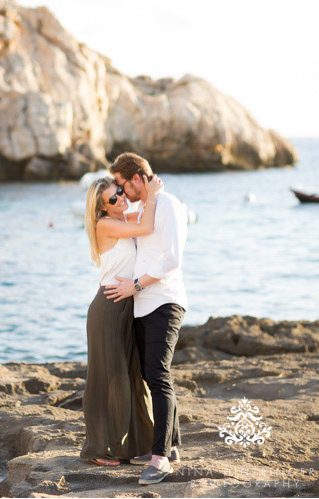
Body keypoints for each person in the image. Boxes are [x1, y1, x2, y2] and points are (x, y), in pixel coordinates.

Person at [104, 152, 189, 486]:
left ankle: (160, 459)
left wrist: (135, 285)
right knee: (149, 373)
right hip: (142, 304)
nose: (122, 194)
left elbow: (173, 259)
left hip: (164, 301)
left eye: (123, 187)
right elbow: (131, 223)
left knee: (158, 375)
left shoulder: (168, 205)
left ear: (137, 179)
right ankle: (172, 445)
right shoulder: (146, 206)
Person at [79, 175, 161, 466]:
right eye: (113, 199)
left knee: (130, 376)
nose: (120, 199)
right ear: (102, 208)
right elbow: (147, 225)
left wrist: (145, 192)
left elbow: (145, 218)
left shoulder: (122, 217)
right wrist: (150, 194)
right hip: (108, 309)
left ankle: (135, 446)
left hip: (126, 306)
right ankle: (99, 449)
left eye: (120, 194)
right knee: (108, 378)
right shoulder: (106, 224)